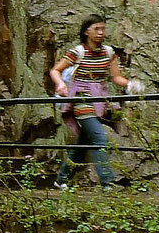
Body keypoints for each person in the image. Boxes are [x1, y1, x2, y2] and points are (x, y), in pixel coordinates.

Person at [50, 16, 128, 189]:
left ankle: (61, 179)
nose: (101, 33)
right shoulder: (78, 52)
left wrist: (131, 84)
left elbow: (116, 77)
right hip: (81, 98)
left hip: (100, 98)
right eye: (96, 29)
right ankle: (108, 182)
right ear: (87, 31)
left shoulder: (108, 52)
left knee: (84, 142)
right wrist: (60, 83)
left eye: (103, 29)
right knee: (99, 136)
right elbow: (56, 70)